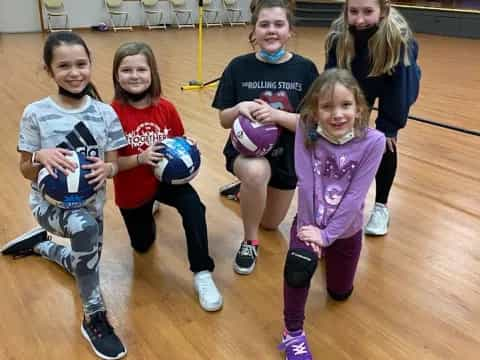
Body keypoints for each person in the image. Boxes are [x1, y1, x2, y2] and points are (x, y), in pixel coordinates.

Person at [1, 32, 127, 359]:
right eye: (64, 66)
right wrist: (40, 156)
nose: (75, 73)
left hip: (92, 205)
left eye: (81, 64)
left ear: (90, 65)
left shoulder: (105, 114)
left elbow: (113, 164)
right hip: (50, 207)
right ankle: (94, 316)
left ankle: (40, 246)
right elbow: (25, 170)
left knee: (85, 263)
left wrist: (107, 170)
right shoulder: (36, 113)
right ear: (49, 70)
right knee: (84, 238)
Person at [278, 68, 385, 359]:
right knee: (298, 271)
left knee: (339, 293)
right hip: (309, 224)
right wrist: (313, 233)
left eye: (345, 105)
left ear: (359, 108)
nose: (337, 114)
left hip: (345, 231)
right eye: (327, 107)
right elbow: (306, 180)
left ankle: (331, 264)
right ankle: (292, 332)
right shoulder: (305, 128)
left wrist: (328, 236)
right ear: (315, 110)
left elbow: (355, 196)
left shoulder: (374, 142)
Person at [111, 42, 223, 312]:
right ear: (116, 75)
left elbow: (176, 139)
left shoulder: (166, 108)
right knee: (142, 246)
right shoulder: (110, 114)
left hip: (165, 181)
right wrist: (140, 158)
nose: (135, 75)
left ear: (153, 73)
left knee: (194, 208)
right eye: (127, 70)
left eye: (141, 69)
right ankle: (149, 207)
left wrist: (188, 144)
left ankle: (202, 272)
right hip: (132, 185)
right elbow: (110, 165)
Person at [212, 0, 319, 275]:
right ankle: (249, 241)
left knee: (270, 223)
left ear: (290, 30)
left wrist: (276, 116)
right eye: (264, 24)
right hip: (246, 154)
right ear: (254, 30)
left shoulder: (305, 70)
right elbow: (224, 119)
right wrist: (239, 109)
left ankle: (245, 192)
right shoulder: (238, 67)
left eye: (279, 24)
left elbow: (312, 127)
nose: (271, 31)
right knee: (257, 173)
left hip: (286, 157)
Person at [324, 0, 421, 236]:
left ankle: (381, 207)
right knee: (345, 134)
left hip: (393, 78)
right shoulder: (339, 35)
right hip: (356, 78)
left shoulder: (399, 39)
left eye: (368, 12)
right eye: (353, 11)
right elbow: (332, 77)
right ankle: (338, 198)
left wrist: (389, 126)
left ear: (383, 10)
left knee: (384, 141)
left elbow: (400, 90)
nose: (359, 20)